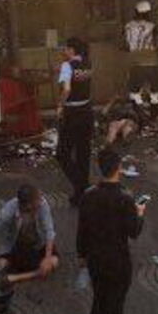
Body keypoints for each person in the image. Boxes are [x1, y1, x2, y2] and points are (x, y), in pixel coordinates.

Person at [77, 149, 146, 314]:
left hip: (96, 259)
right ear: (119, 167)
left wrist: (82, 255)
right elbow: (133, 231)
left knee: (99, 300)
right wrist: (140, 214)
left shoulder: (88, 195)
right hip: (118, 259)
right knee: (115, 305)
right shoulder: (125, 197)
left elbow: (82, 229)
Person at [56, 37, 94, 205]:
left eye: (65, 48)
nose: (64, 51)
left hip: (72, 112)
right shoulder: (88, 63)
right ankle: (82, 191)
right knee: (83, 153)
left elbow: (67, 89)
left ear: (72, 50)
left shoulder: (67, 66)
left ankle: (81, 186)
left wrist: (59, 106)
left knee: (62, 153)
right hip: (87, 111)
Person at [124, 0, 158, 116]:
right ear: (148, 13)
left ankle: (138, 113)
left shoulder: (128, 26)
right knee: (154, 89)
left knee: (135, 90)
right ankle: (154, 111)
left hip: (135, 61)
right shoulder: (152, 26)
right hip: (151, 61)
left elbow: (124, 44)